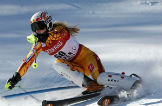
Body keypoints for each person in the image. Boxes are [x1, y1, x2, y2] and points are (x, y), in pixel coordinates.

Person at [5, 11, 140, 95]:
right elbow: (27, 61)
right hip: (73, 65)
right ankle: (91, 85)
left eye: (40, 27)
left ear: (48, 24)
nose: (38, 31)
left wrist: (45, 38)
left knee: (101, 78)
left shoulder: (59, 30)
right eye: (34, 29)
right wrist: (16, 77)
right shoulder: (39, 43)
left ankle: (133, 82)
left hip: (86, 58)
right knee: (57, 65)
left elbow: (59, 36)